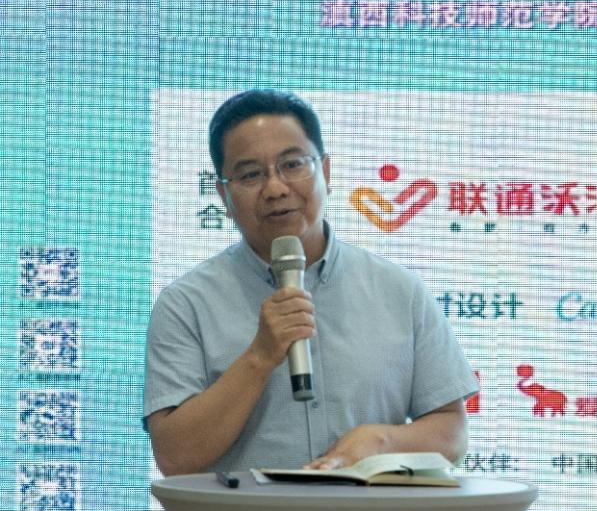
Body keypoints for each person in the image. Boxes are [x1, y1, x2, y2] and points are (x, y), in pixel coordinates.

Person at [143, 90, 477, 475]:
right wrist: (259, 356)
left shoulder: (400, 291)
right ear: (223, 195)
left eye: (293, 164)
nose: (276, 188)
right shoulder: (185, 304)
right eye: (251, 174)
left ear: (326, 172)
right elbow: (175, 457)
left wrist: (380, 442)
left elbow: (451, 435)